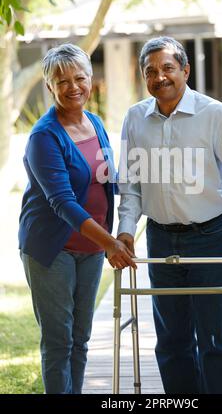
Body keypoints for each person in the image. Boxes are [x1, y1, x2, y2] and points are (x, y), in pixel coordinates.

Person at [117, 36, 222, 394]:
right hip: (160, 237)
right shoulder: (136, 118)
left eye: (168, 68)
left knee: (214, 341)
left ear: (185, 70)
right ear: (144, 77)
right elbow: (131, 186)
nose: (160, 77)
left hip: (211, 238)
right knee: (172, 341)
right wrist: (125, 231)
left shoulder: (215, 115)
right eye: (150, 71)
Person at [18, 43, 136, 394]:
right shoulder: (44, 136)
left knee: (81, 339)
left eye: (80, 78)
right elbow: (62, 203)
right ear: (49, 86)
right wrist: (111, 243)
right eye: (62, 80)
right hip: (53, 249)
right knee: (59, 340)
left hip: (91, 248)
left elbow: (106, 178)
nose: (73, 87)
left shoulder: (95, 122)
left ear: (90, 79)